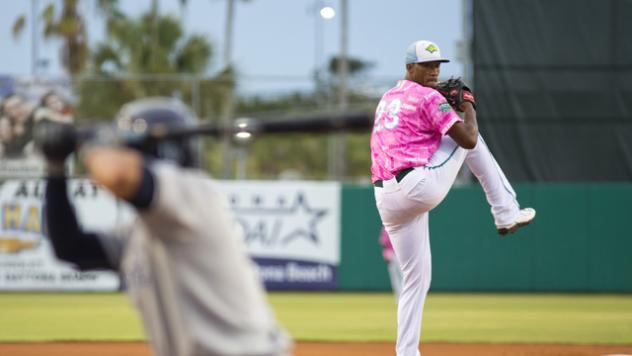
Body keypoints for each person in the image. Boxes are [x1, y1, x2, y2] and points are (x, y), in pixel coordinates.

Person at [37, 97, 291, 356]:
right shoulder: (138, 233)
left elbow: (118, 174)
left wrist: (94, 141)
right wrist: (55, 168)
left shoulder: (193, 194)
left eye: (125, 148)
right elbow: (69, 247)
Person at [370, 40, 536, 356]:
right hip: (417, 187)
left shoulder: (387, 97)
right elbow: (468, 139)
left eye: (437, 65)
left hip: (385, 197)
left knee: (416, 279)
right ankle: (504, 211)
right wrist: (468, 105)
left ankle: (407, 352)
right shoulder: (429, 97)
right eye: (427, 65)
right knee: (473, 139)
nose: (434, 71)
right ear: (409, 68)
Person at [0, 93, 36, 158]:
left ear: (27, 104)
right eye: (10, 109)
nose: (16, 111)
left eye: (18, 105)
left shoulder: (38, 118)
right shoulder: (7, 128)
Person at [378, 227, 402, 302]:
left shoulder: (391, 226)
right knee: (397, 278)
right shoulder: (386, 228)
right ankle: (400, 297)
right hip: (393, 254)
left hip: (398, 254)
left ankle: (402, 297)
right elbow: (382, 242)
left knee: (401, 277)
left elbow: (383, 241)